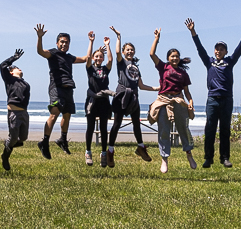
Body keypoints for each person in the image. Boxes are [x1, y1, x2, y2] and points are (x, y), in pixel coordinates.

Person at [185, 17, 241, 168]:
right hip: (212, 99)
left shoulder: (230, 62)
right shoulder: (209, 61)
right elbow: (200, 49)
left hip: (226, 99)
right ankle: (208, 158)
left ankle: (224, 158)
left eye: (222, 49)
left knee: (225, 129)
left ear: (226, 51)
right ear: (214, 51)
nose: (219, 51)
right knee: (210, 128)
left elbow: (240, 49)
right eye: (217, 49)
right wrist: (193, 32)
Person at [35, 25, 93, 158]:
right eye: (62, 41)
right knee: (54, 114)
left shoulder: (69, 57)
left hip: (69, 89)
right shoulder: (53, 53)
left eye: (66, 42)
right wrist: (39, 37)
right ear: (57, 43)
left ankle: (62, 139)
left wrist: (91, 41)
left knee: (67, 115)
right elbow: (40, 52)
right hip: (56, 88)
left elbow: (87, 58)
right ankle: (44, 142)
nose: (64, 44)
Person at [147, 28, 197, 173]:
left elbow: (187, 91)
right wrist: (157, 38)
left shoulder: (183, 73)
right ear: (168, 58)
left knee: (183, 128)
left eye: (176, 56)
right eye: (172, 56)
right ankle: (164, 159)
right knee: (164, 130)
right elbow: (151, 54)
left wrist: (191, 102)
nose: (174, 58)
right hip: (163, 100)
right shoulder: (163, 67)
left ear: (179, 58)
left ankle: (189, 154)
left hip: (178, 100)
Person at [107, 26, 156, 165]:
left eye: (131, 49)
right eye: (127, 49)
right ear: (123, 52)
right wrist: (118, 36)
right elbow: (116, 51)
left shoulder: (136, 67)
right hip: (122, 95)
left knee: (137, 124)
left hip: (134, 97)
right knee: (117, 124)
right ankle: (110, 151)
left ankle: (141, 147)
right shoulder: (122, 62)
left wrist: (157, 88)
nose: (130, 51)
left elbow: (141, 85)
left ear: (134, 52)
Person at [0, 49, 31, 171]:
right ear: (11, 72)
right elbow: (3, 66)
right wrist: (14, 58)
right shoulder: (10, 80)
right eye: (17, 68)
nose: (19, 69)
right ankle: (5, 156)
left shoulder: (26, 84)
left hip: (24, 112)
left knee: (23, 138)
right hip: (14, 112)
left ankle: (8, 144)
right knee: (13, 138)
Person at [84, 35, 113, 167]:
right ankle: (88, 152)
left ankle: (103, 154)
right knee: (90, 127)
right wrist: (91, 42)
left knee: (103, 128)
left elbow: (111, 60)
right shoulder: (90, 69)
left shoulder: (105, 69)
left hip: (104, 102)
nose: (98, 58)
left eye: (101, 56)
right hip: (92, 101)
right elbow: (88, 57)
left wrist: (107, 45)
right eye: (97, 56)